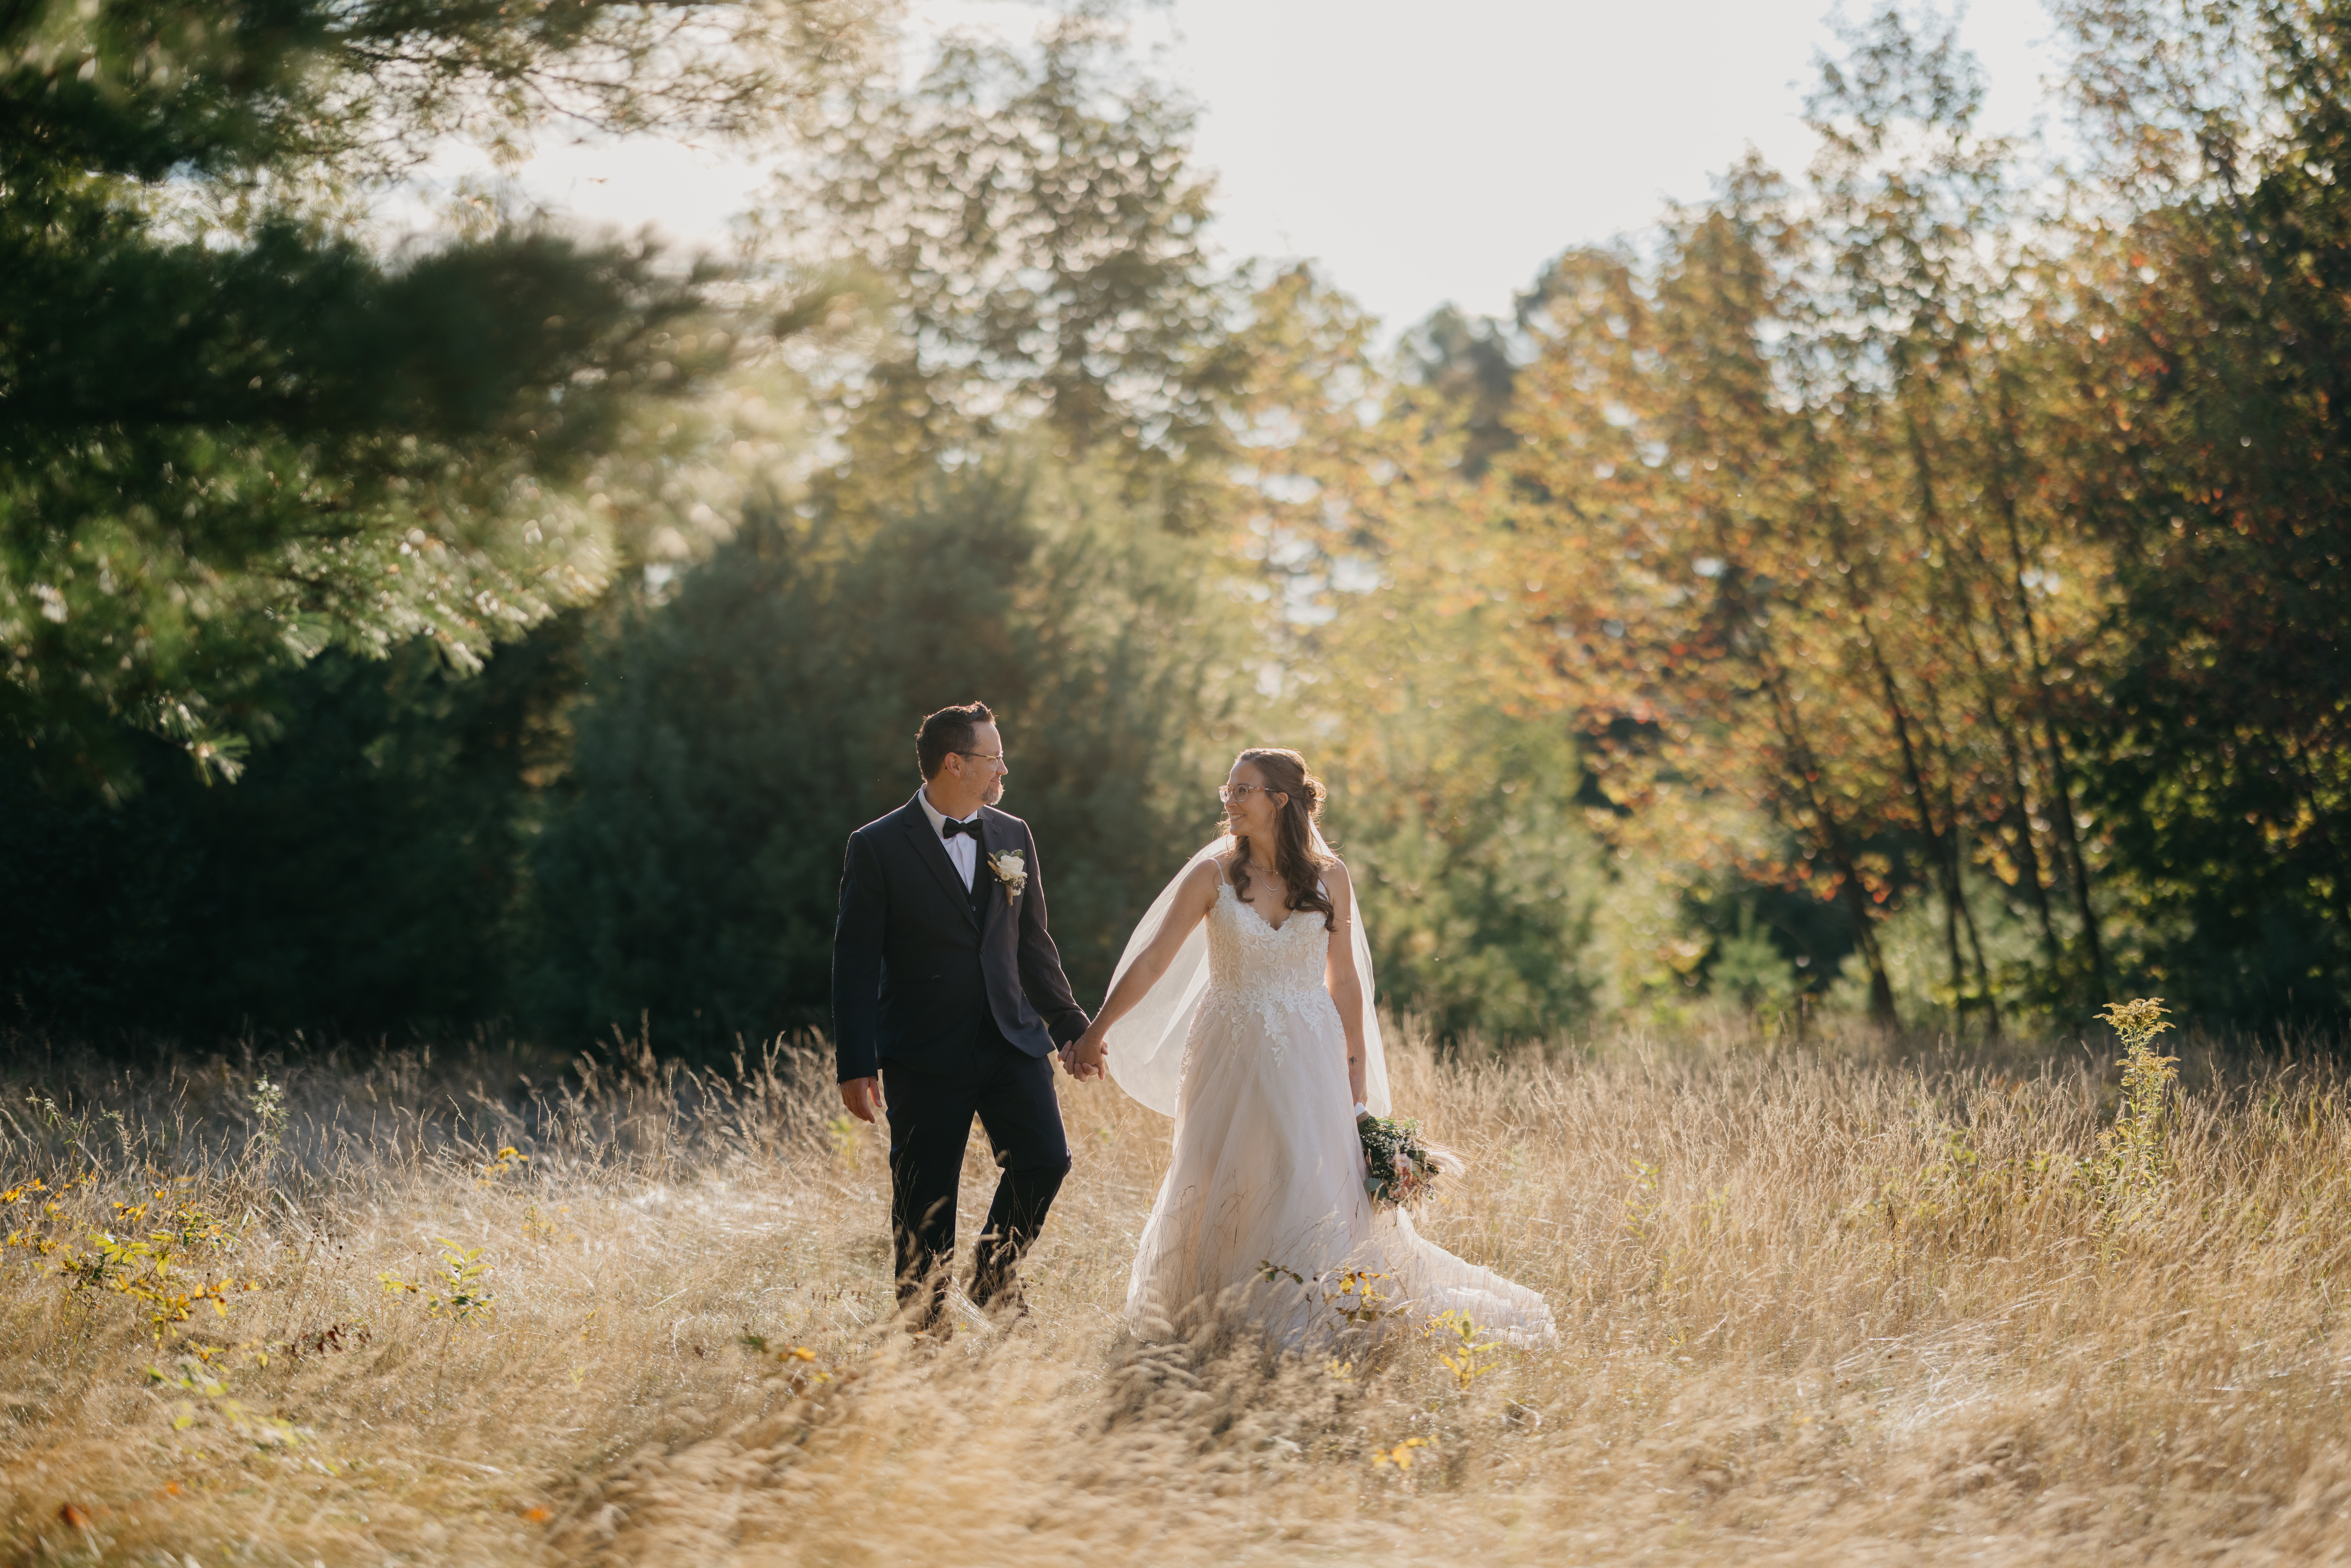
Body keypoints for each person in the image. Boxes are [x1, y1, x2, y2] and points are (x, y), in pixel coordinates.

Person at [1064, 747, 1554, 1346]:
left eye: (1243, 789)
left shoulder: (1330, 878)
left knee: (1303, 1170)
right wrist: (1096, 1032)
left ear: (1280, 801)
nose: (1229, 799)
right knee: (1219, 1170)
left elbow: (1343, 981)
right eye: (1228, 788)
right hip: (1227, 1049)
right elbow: (1152, 961)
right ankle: (1211, 1313)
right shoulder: (1211, 876)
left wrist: (1356, 1077)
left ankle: (1306, 1306)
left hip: (1308, 1049)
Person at [831, 701, 1090, 1331]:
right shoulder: (877, 845)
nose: (1003, 766)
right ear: (954, 763)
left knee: (1045, 1158)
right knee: (925, 1197)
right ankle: (923, 1330)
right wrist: (856, 1062)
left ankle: (995, 1273)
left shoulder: (1012, 833)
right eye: (992, 756)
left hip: (1011, 1038)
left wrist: (1071, 1027)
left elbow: (1034, 943)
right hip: (924, 1049)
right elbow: (856, 961)